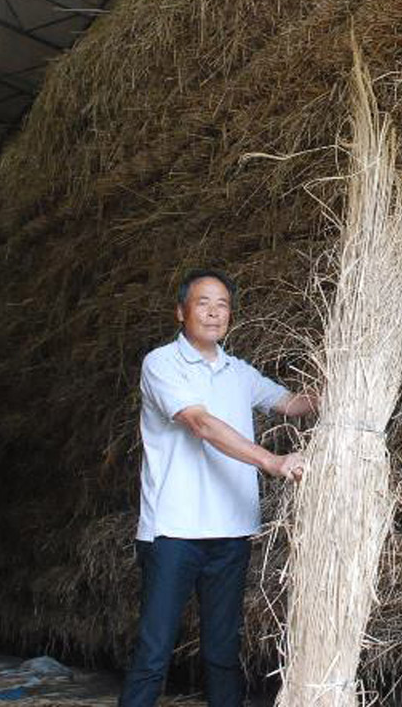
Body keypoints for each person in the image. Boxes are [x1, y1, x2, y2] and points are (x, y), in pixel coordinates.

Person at [119, 268, 315, 707]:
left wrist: (340, 381)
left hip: (230, 533)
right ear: (181, 311)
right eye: (203, 303)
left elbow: (292, 405)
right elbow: (201, 424)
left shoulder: (238, 372)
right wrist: (271, 461)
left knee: (223, 654)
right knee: (154, 653)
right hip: (173, 532)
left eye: (222, 304)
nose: (213, 312)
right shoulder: (160, 364)